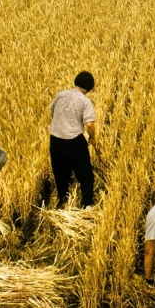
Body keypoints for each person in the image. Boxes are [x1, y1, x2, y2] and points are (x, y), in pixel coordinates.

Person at [50, 71, 97, 208]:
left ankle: (63, 201)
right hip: (74, 141)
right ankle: (87, 204)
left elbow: (52, 114)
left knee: (60, 172)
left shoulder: (61, 95)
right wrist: (92, 138)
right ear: (89, 87)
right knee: (85, 174)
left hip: (56, 140)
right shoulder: (85, 101)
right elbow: (89, 124)